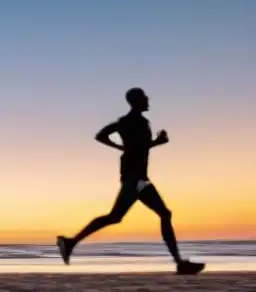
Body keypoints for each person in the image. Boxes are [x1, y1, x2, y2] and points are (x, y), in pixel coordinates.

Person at [57, 88, 204, 275]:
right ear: (137, 101)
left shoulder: (123, 122)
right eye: (145, 97)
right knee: (156, 214)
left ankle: (70, 243)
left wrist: (121, 147)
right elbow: (138, 148)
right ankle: (179, 263)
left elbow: (102, 136)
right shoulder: (139, 122)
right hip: (136, 178)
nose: (148, 99)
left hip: (134, 176)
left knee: (120, 216)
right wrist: (157, 142)